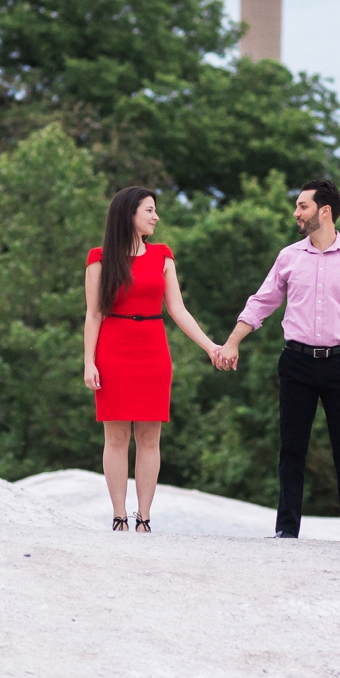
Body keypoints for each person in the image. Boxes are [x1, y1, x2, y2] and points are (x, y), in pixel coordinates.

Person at [215, 178, 340, 541]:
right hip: (297, 363)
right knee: (291, 449)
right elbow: (262, 302)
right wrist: (231, 342)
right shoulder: (289, 257)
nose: (296, 213)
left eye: (302, 206)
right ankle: (287, 530)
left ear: (325, 211)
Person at [84, 185, 223, 533]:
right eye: (149, 210)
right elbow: (93, 315)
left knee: (149, 437)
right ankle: (119, 515)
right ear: (129, 214)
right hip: (113, 348)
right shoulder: (99, 259)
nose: (155, 216)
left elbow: (178, 309)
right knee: (115, 437)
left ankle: (144, 517)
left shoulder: (162, 256)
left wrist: (210, 346)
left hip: (153, 348)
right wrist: (89, 361)